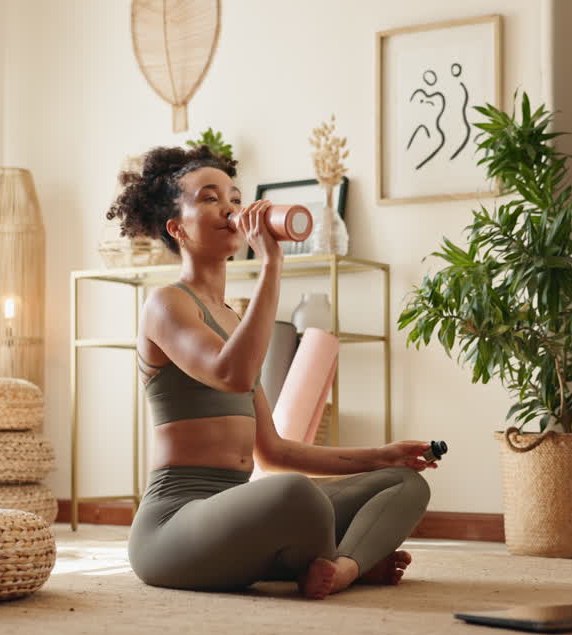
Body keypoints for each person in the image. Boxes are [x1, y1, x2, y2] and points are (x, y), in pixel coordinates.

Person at [106, 145, 437, 600]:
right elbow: (232, 376)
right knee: (295, 496)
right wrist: (272, 263)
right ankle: (351, 562)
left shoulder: (235, 321)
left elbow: (274, 451)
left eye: (235, 197)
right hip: (174, 527)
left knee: (404, 483)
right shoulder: (167, 303)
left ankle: (342, 567)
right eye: (209, 198)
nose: (230, 208)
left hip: (241, 513)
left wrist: (383, 455)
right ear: (177, 228)